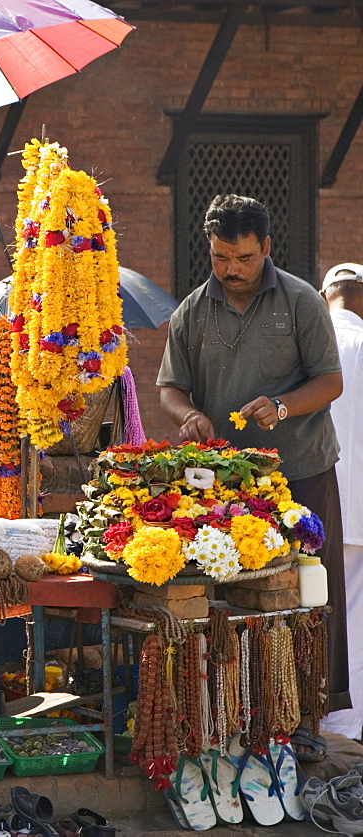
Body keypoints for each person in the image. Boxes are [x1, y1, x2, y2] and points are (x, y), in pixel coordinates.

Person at [156, 194, 349, 757]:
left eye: (242, 257)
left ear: (265, 247)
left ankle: (310, 718)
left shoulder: (302, 301)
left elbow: (330, 381)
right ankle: (237, 719)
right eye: (220, 258)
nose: (232, 270)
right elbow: (170, 388)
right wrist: (186, 414)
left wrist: (285, 406)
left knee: (310, 596)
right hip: (225, 485)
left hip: (303, 474)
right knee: (234, 601)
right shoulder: (193, 310)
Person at [320, 263, 363, 741]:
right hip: (357, 506)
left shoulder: (308, 340)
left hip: (309, 503)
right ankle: (345, 728)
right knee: (353, 616)